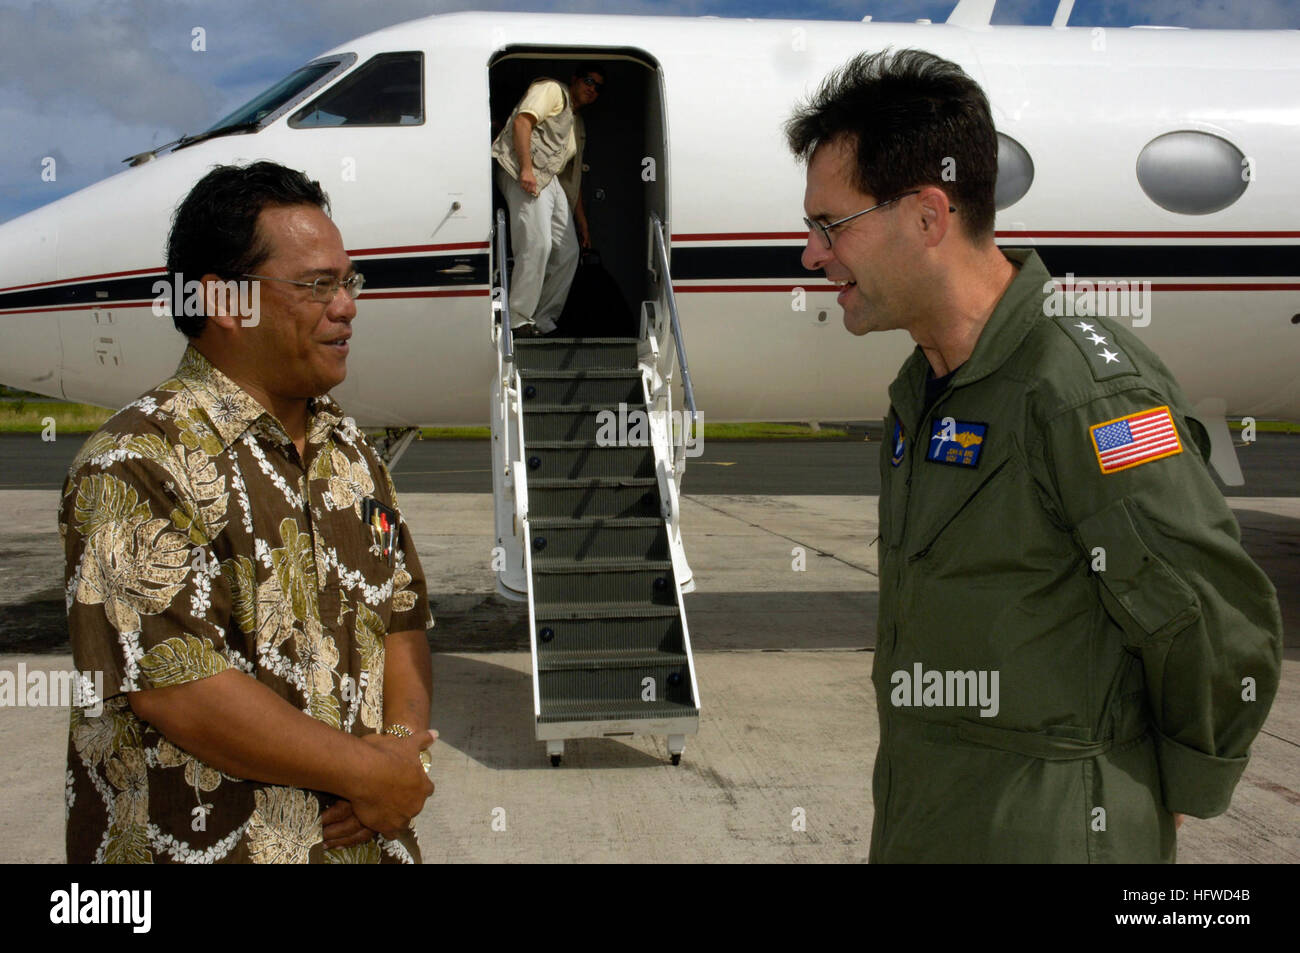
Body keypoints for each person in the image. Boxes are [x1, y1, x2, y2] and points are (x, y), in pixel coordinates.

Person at [786, 49, 1282, 863]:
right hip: (928, 816)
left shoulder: (1078, 389)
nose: (812, 254)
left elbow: (1210, 614)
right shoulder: (923, 388)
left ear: (926, 216)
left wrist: (1180, 787)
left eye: (830, 224)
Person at [60, 161, 437, 863]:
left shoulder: (356, 455)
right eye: (317, 285)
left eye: (346, 282)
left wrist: (396, 751)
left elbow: (403, 621)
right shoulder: (136, 459)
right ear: (227, 302)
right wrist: (365, 774)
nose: (346, 305)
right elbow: (179, 688)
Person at [491, 65, 603, 336]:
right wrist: (526, 169)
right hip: (520, 168)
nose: (592, 88)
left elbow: (569, 177)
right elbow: (522, 122)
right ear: (575, 80)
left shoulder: (577, 124)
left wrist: (582, 221)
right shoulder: (552, 90)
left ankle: (543, 320)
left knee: (568, 252)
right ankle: (517, 319)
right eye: (589, 81)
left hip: (549, 178)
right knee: (537, 244)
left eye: (598, 87)